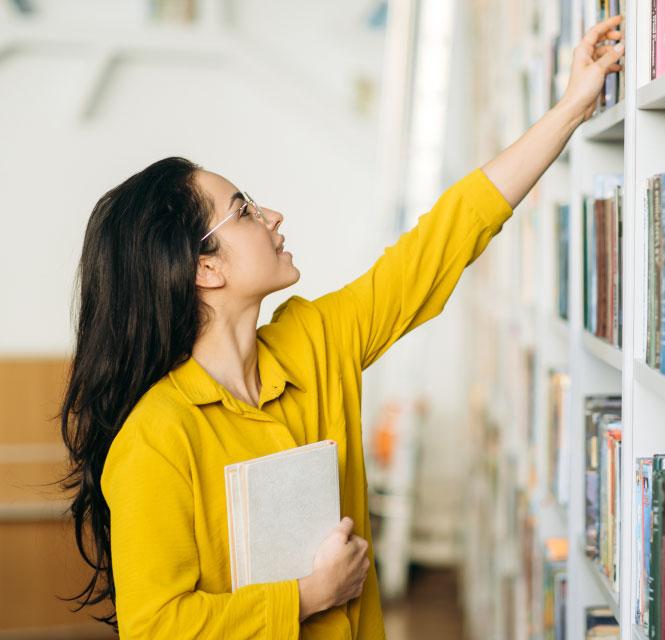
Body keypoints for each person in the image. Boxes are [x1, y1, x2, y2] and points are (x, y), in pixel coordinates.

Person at [59, 16, 624, 639]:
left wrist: (573, 105)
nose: (272, 216)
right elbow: (157, 628)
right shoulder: (156, 438)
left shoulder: (312, 343)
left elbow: (444, 239)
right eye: (244, 211)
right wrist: (306, 596)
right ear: (205, 268)